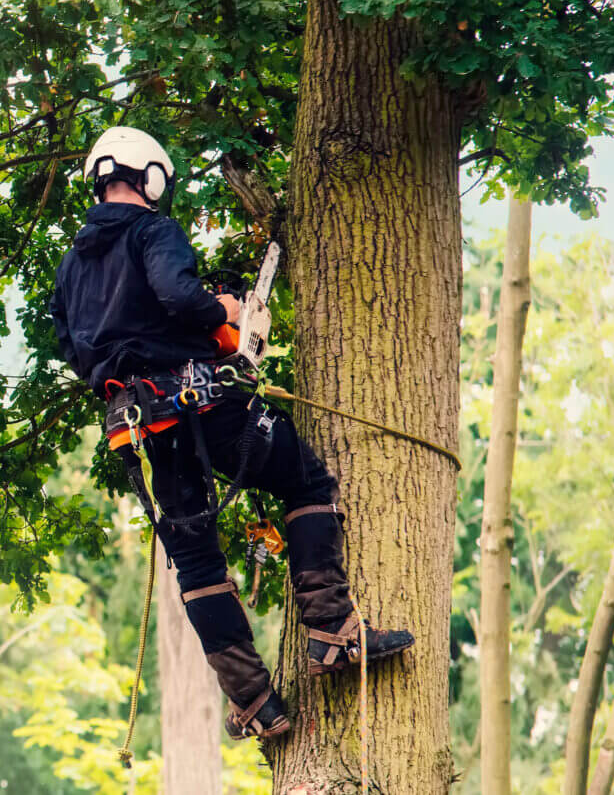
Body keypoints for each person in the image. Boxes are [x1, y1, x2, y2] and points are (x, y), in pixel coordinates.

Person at [49, 126, 414, 739]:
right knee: (306, 480)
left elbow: (71, 346)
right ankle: (331, 630)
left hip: (139, 428)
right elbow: (176, 294)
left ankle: (253, 702)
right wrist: (229, 311)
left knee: (195, 559)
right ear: (152, 178)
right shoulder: (151, 230)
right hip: (199, 405)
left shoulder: (71, 266)